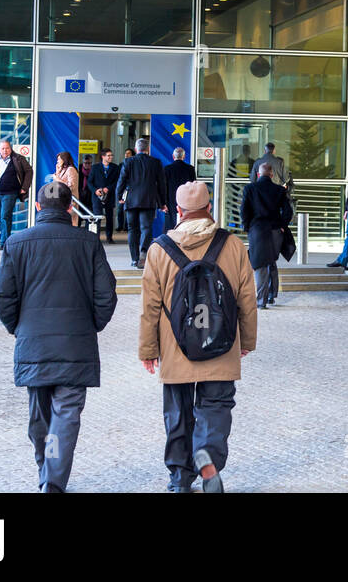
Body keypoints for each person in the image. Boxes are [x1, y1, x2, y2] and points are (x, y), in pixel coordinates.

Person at [0, 181, 118, 493]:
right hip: (75, 342)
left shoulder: (17, 242)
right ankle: (52, 477)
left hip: (33, 342)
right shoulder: (87, 243)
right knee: (66, 414)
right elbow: (107, 296)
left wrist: (17, 328)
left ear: (36, 207)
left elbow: (1, 296)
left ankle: (47, 471)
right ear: (69, 208)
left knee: (41, 415)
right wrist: (91, 326)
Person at [139, 181, 256, 493]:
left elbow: (149, 306)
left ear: (178, 211)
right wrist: (246, 340)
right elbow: (247, 297)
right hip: (221, 342)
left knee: (177, 410)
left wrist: (148, 349)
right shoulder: (232, 245)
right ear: (210, 209)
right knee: (216, 405)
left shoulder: (158, 249)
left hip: (176, 346)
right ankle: (208, 458)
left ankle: (179, 479)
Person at [241, 162, 293, 308]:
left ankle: (261, 301)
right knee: (271, 261)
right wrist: (282, 226)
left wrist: (247, 227)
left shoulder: (249, 188)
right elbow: (288, 211)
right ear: (272, 175)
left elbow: (244, 210)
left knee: (259, 264)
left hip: (257, 230)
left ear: (258, 174)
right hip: (275, 230)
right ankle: (271, 296)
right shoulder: (279, 190)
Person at [117, 137, 164, 268]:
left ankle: (134, 258)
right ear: (148, 149)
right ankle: (144, 251)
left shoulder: (128, 161)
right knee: (146, 228)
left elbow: (121, 181)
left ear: (136, 149)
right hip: (148, 200)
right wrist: (162, 203)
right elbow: (161, 184)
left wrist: (119, 196)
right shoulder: (155, 162)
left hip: (131, 200)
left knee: (132, 229)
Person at [0, 139, 32, 249]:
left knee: (5, 217)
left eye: (7, 148)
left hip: (10, 193)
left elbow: (29, 171)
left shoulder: (18, 158)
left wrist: (24, 187)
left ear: (10, 148)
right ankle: (4, 240)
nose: (5, 150)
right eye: (2, 148)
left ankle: (5, 243)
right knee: (0, 218)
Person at [161, 146, 197, 233]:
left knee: (170, 226)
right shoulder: (190, 169)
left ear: (173, 156)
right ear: (184, 157)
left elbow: (163, 187)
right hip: (186, 201)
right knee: (185, 224)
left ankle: (169, 243)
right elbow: (193, 186)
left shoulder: (167, 169)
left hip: (171, 201)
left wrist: (163, 203)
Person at [87, 149, 120, 243]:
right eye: (108, 155)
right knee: (97, 216)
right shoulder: (95, 167)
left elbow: (117, 181)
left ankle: (109, 237)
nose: (111, 157)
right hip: (97, 196)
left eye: (111, 155)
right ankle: (96, 238)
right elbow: (90, 182)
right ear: (103, 156)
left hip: (109, 196)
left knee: (110, 217)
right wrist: (95, 190)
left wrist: (109, 188)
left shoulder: (115, 168)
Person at [53, 152, 81, 226]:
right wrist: (57, 171)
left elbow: (71, 186)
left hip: (70, 201)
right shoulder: (63, 170)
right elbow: (56, 184)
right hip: (62, 200)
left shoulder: (71, 169)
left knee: (71, 222)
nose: (57, 161)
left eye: (59, 159)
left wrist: (57, 179)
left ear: (64, 159)